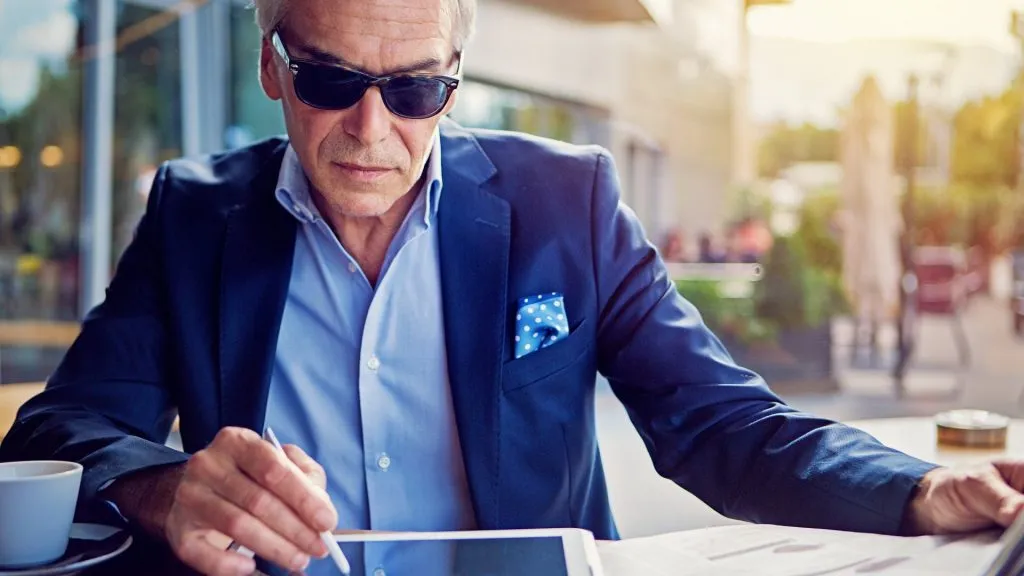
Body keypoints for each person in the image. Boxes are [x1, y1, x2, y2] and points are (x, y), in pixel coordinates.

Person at [3, 0, 1024, 575]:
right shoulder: (195, 215)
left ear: (454, 74)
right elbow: (62, 429)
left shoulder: (563, 203)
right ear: (272, 64)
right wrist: (165, 485)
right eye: (330, 81)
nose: (371, 130)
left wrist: (913, 488)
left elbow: (715, 421)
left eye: (413, 92)